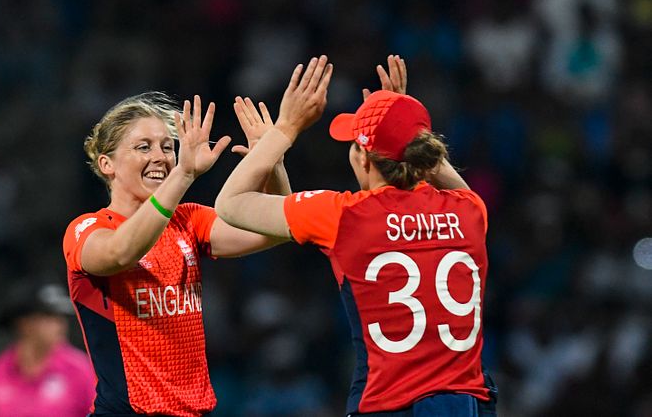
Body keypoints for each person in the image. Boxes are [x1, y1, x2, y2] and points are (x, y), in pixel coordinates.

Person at [215, 55, 498, 416]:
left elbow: (231, 204)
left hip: (391, 405)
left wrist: (284, 129)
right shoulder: (471, 212)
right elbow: (439, 174)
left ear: (364, 158)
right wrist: (403, 121)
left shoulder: (344, 217)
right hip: (467, 404)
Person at [62, 92, 291, 416]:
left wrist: (273, 162)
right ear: (107, 164)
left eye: (168, 146)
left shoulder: (188, 220)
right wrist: (184, 175)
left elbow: (275, 228)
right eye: (144, 147)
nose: (161, 157)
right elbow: (121, 252)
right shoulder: (87, 228)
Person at [0, 282, 96, 417]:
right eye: (49, 316)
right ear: (24, 324)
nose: (60, 325)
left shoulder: (80, 369)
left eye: (61, 317)